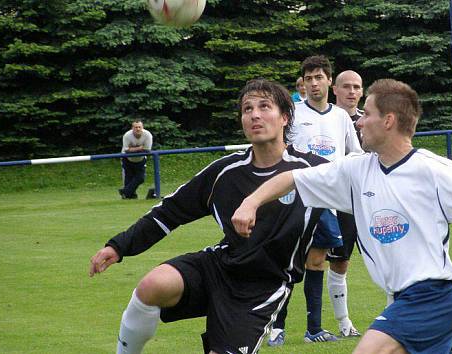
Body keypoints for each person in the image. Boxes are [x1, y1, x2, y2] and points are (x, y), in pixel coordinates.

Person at [232, 78, 452, 354]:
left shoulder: (433, 170)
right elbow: (291, 177)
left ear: (388, 120)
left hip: (432, 296)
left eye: (366, 114)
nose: (359, 123)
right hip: (408, 300)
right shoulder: (355, 171)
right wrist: (251, 202)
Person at [89, 79, 332, 354]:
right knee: (152, 285)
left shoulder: (314, 171)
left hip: (262, 287)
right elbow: (168, 212)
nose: (254, 115)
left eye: (265, 107)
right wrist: (118, 246)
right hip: (219, 267)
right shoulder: (224, 173)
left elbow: (361, 192)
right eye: (247, 109)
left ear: (285, 117)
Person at [267, 55, 363, 346]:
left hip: (327, 199)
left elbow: (355, 153)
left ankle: (313, 329)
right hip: (295, 197)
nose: (313, 83)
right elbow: (277, 151)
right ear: (303, 83)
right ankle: (275, 327)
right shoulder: (292, 114)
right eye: (308, 78)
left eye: (318, 77)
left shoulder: (341, 117)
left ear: (329, 81)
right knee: (286, 260)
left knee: (317, 260)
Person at [119, 120, 152, 199]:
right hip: (127, 159)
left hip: (141, 160)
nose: (138, 129)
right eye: (136, 127)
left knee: (140, 178)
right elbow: (126, 150)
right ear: (132, 128)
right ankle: (130, 196)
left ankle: (124, 192)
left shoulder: (148, 135)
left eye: (139, 127)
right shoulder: (127, 135)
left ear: (142, 128)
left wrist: (132, 149)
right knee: (128, 178)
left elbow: (147, 150)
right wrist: (140, 148)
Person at [332, 70, 364, 143]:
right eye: (346, 87)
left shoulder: (368, 120)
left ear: (361, 92)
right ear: (335, 90)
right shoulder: (324, 117)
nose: (352, 91)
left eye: (356, 87)